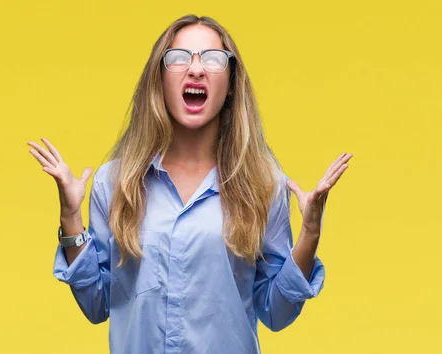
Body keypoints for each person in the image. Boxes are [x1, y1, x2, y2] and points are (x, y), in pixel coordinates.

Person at [27, 14, 352, 354]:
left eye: (212, 59)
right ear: (160, 79)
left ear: (230, 84)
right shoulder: (115, 183)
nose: (195, 69)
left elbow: (277, 312)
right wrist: (70, 216)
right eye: (179, 58)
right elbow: (96, 305)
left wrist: (310, 233)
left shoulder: (262, 183)